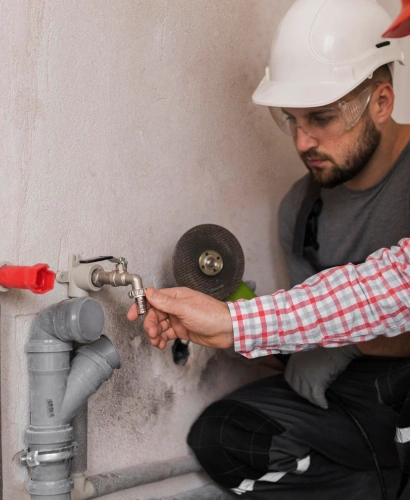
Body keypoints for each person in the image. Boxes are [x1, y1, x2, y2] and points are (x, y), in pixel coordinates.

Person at [130, 1, 410, 498]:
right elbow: (312, 320)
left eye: (321, 118)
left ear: (382, 102)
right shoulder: (301, 210)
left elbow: (397, 288)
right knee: (223, 435)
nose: (303, 142)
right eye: (291, 120)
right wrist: (231, 321)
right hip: (347, 398)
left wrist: (341, 342)